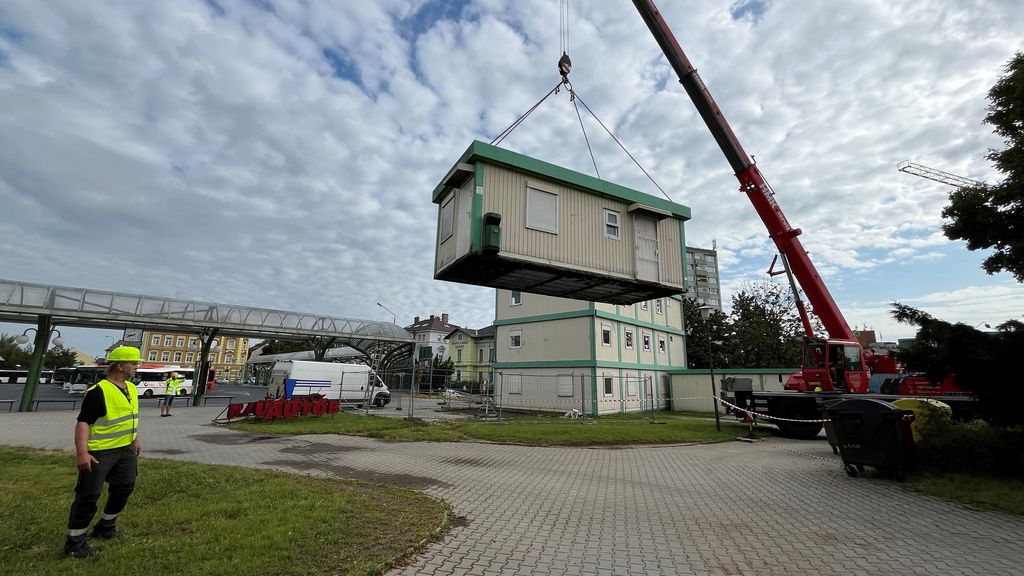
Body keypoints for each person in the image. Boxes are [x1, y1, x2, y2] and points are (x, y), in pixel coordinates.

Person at [63, 345, 142, 558]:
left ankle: (105, 527)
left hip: (125, 449)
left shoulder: (131, 388)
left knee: (125, 487)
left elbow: (129, 417)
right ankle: (75, 544)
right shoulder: (98, 391)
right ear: (120, 366)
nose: (136, 367)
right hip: (101, 452)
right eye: (134, 363)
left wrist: (134, 439)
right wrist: (82, 453)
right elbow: (83, 422)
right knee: (89, 495)